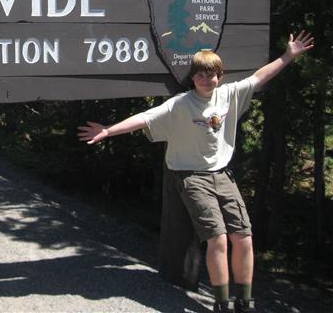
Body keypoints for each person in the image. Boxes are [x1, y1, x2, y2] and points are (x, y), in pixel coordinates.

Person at [77, 31, 314, 313]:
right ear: (193, 78)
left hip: (222, 175)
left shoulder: (229, 95)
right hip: (190, 176)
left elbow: (259, 77)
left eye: (211, 74)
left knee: (243, 237)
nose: (205, 79)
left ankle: (245, 302)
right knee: (217, 239)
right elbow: (144, 118)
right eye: (200, 74)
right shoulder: (180, 104)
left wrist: (288, 56)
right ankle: (222, 303)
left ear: (220, 76)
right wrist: (107, 130)